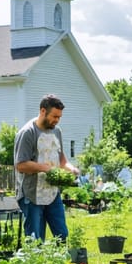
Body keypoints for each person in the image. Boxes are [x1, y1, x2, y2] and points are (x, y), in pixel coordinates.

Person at [14, 94, 81, 241]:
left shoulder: (57, 131)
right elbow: (20, 165)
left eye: (59, 117)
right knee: (35, 238)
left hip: (52, 192)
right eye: (54, 116)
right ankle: (36, 263)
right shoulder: (28, 132)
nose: (57, 120)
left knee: (61, 234)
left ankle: (61, 263)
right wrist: (45, 168)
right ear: (43, 111)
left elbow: (62, 160)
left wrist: (72, 169)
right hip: (31, 193)